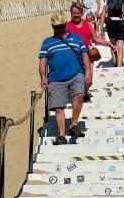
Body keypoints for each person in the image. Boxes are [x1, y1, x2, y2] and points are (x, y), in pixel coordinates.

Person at [38, 11, 92, 144]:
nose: (59, 29)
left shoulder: (76, 38)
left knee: (79, 95)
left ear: (65, 24)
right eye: (56, 27)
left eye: (61, 26)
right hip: (56, 78)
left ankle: (74, 124)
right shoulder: (47, 42)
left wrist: (88, 72)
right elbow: (43, 61)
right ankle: (62, 136)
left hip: (76, 74)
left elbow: (85, 56)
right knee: (58, 107)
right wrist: (43, 77)